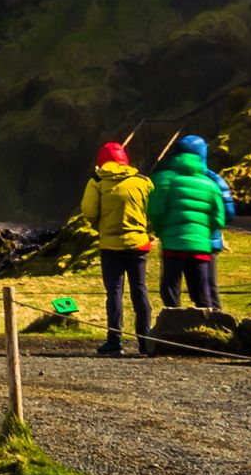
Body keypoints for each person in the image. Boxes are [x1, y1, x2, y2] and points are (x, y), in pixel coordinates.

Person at [77, 140, 157, 356]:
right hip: (138, 244)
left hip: (110, 246)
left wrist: (100, 225)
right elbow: (152, 210)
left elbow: (89, 211)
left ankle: (114, 340)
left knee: (114, 292)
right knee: (139, 290)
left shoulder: (97, 181)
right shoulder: (143, 181)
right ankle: (145, 340)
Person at [149, 135, 232, 312]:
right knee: (203, 292)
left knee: (171, 289)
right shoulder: (210, 183)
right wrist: (206, 233)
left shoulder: (164, 179)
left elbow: (155, 210)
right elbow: (220, 217)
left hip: (172, 244)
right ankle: (208, 328)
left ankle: (172, 325)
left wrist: (161, 230)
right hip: (201, 246)